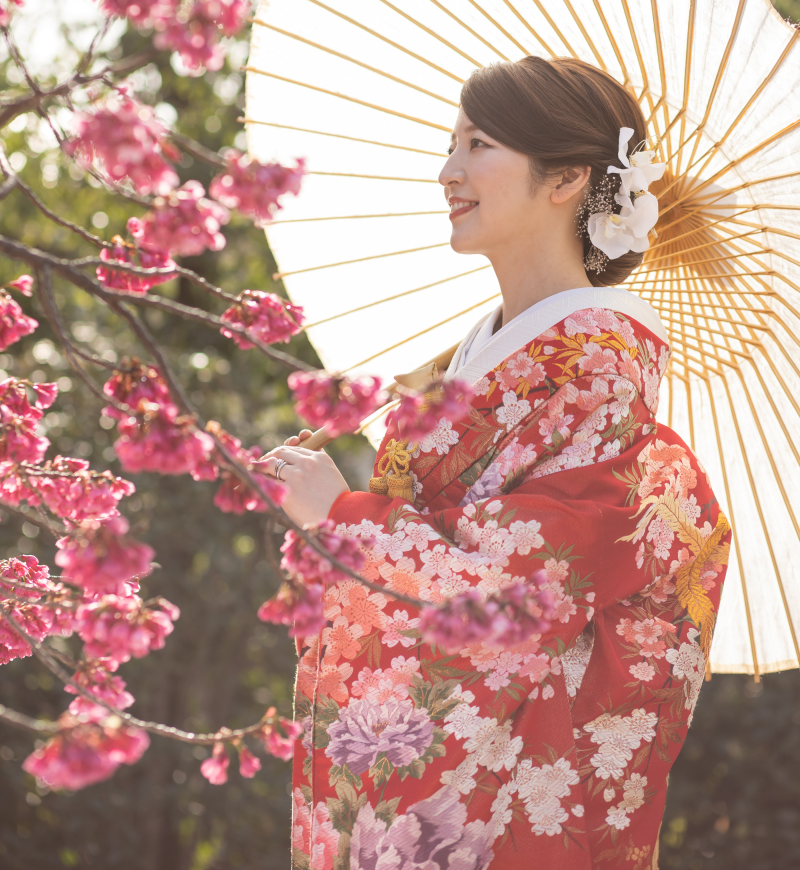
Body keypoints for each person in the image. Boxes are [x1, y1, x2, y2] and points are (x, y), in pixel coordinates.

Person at [263, 56, 730, 870]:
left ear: (566, 179)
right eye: (452, 143)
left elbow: (527, 585)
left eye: (478, 145)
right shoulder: (479, 352)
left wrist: (344, 520)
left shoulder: (597, 362)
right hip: (419, 759)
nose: (448, 172)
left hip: (499, 781)